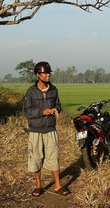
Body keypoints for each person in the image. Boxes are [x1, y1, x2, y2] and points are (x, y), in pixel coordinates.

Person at [22, 61, 70, 197]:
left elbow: (58, 105)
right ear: (38, 75)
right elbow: (27, 111)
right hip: (36, 130)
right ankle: (38, 186)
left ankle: (58, 186)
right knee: (36, 158)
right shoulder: (31, 92)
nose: (48, 75)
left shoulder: (54, 90)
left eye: (49, 73)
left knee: (54, 157)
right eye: (45, 73)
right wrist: (42, 112)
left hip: (50, 129)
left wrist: (56, 109)